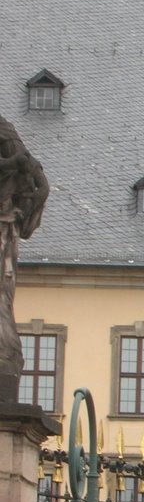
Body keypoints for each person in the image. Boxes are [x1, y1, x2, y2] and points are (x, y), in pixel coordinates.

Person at [0, 116, 48, 401]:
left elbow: (33, 174)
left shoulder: (4, 128)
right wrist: (14, 165)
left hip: (4, 228)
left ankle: (6, 354)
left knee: (2, 297)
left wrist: (37, 186)